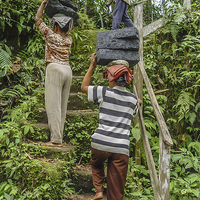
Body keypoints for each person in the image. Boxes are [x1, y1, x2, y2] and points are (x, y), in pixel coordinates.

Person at [81, 53, 139, 200]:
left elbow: (84, 87)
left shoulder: (104, 92)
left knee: (96, 165)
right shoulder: (133, 100)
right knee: (117, 188)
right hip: (121, 148)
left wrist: (92, 65)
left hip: (100, 143)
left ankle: (99, 191)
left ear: (111, 78)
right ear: (126, 80)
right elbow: (136, 105)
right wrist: (137, 100)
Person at [35, 0, 74, 147]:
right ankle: (59, 137)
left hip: (55, 69)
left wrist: (43, 3)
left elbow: (38, 20)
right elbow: (66, 30)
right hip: (67, 71)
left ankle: (55, 140)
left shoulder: (51, 36)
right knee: (62, 106)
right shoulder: (68, 39)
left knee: (53, 106)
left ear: (56, 26)